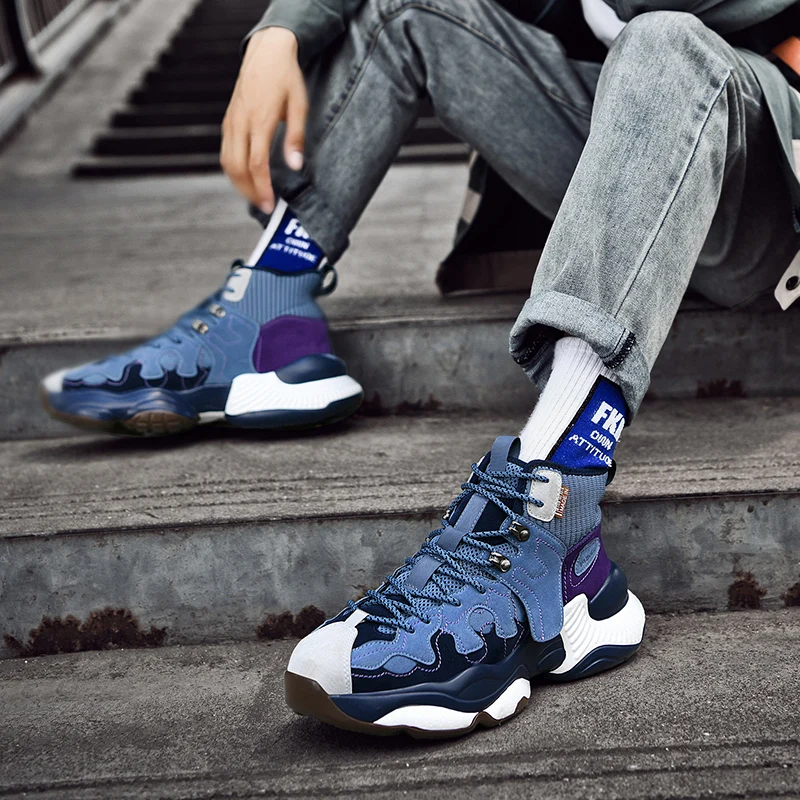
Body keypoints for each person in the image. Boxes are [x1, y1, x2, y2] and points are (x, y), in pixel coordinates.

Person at [41, 0, 800, 737]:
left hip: (763, 171)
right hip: (629, 138)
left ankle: (556, 505)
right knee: (411, 7)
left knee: (663, 40)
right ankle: (270, 309)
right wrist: (280, 30)